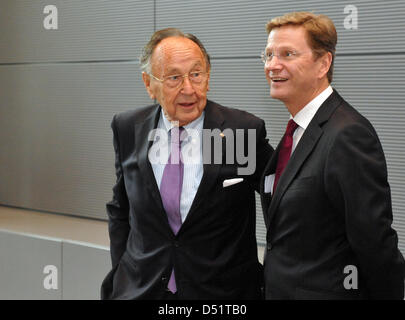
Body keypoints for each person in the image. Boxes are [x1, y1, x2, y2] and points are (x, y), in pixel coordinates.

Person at [101, 28, 273, 299]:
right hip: (142, 290)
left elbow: (282, 203)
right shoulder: (128, 128)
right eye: (174, 78)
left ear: (208, 77)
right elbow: (120, 209)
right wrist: (120, 275)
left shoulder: (238, 133)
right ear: (149, 84)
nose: (188, 89)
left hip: (220, 294)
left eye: (196, 74)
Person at [260, 12, 405, 299]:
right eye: (268, 55)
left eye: (287, 54)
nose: (272, 65)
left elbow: (374, 242)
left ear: (323, 63)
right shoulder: (298, 130)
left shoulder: (348, 135)